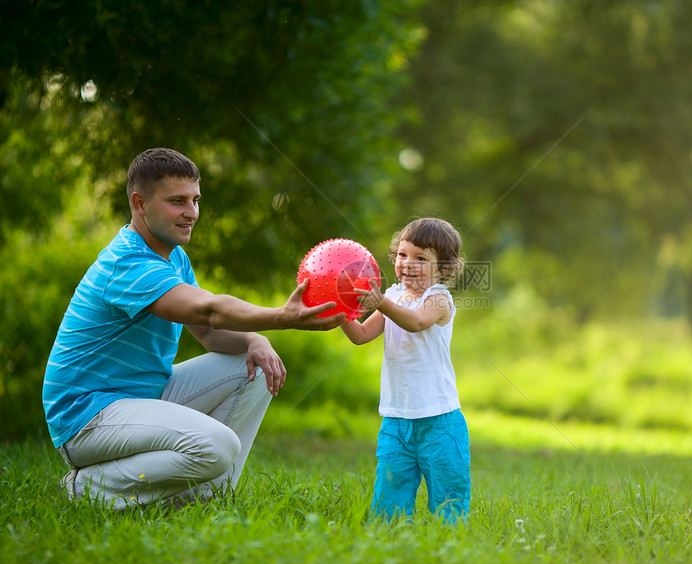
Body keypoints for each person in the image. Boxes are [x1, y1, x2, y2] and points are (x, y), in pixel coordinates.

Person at [42, 148, 345, 509]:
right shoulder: (127, 261)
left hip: (140, 397)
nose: (192, 213)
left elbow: (206, 332)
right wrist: (281, 317)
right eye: (177, 201)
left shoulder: (173, 258)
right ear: (140, 203)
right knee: (218, 445)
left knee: (254, 367)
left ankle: (206, 496)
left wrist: (254, 339)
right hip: (88, 415)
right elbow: (211, 310)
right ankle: (84, 489)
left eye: (195, 200)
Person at [340, 217, 471, 522]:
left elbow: (414, 323)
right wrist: (340, 309)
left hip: (439, 420)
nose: (407, 263)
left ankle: (449, 539)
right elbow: (360, 336)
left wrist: (380, 301)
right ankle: (390, 532)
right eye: (402, 254)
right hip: (396, 420)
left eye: (421, 258)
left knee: (447, 493)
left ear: (444, 268)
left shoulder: (437, 299)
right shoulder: (395, 297)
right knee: (390, 492)